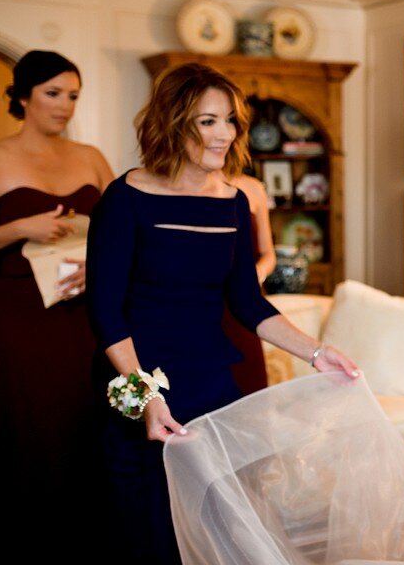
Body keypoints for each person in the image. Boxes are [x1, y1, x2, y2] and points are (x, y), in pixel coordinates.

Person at [87, 63, 360, 564]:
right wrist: (145, 397)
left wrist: (317, 352)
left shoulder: (233, 202)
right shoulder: (124, 199)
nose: (224, 133)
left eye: (230, 120)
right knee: (149, 528)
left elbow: (248, 302)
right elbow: (105, 311)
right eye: (207, 121)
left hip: (213, 384)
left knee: (221, 523)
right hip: (142, 385)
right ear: (173, 123)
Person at [0, 50, 115, 558]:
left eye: (73, 96)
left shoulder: (92, 157)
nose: (65, 106)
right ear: (21, 97)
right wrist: (20, 227)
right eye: (53, 94)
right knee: (25, 427)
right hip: (13, 316)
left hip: (84, 312)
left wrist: (102, 266)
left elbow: (125, 230)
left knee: (85, 417)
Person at [222, 172, 275, 394]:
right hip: (204, 305)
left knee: (249, 387)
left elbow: (268, 254)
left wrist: (251, 277)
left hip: (244, 309)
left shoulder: (252, 188)